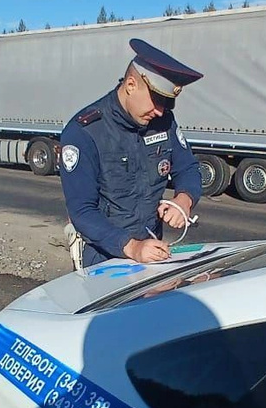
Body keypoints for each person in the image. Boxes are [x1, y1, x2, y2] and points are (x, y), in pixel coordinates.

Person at [60, 38, 203, 268]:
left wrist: (183, 200)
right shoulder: (84, 132)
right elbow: (82, 212)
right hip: (105, 257)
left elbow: (188, 168)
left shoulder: (163, 122)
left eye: (167, 103)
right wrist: (132, 247)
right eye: (156, 100)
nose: (159, 111)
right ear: (130, 85)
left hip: (152, 251)